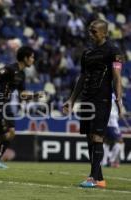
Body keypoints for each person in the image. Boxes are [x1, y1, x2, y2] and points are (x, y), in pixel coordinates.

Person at [62, 19, 124, 188]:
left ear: (105, 33)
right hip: (86, 99)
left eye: (94, 31)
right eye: (89, 31)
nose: (90, 34)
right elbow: (82, 78)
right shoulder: (87, 53)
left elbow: (117, 76)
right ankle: (100, 178)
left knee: (97, 137)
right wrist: (71, 99)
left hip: (102, 98)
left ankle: (93, 178)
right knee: (90, 138)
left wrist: (119, 100)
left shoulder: (113, 51)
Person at [0, 46, 39, 168]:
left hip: (7, 104)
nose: (33, 60)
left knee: (11, 133)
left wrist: (34, 95)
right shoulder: (10, 68)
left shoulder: (22, 75)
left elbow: (22, 94)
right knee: (3, 135)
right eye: (31, 57)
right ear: (25, 58)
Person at [102, 94, 124, 168]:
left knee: (106, 141)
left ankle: (104, 162)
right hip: (112, 121)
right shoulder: (116, 96)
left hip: (107, 120)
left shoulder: (106, 94)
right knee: (120, 141)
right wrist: (120, 112)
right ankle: (111, 160)